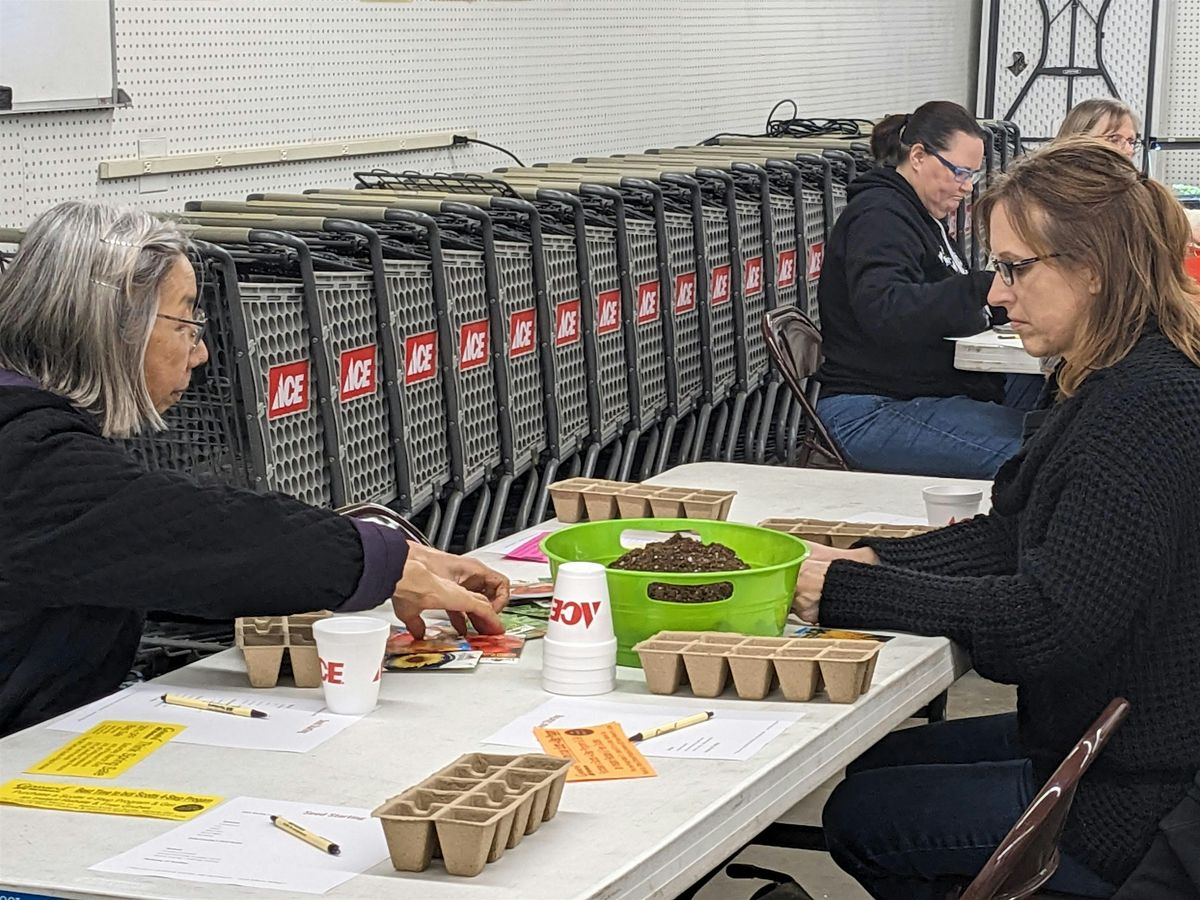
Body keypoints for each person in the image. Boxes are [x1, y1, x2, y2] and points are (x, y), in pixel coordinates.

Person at [793, 139, 1200, 898]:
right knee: (881, 763)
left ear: (1094, 271)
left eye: (1016, 268)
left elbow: (1047, 622)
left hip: (1134, 792)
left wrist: (849, 593)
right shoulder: (1101, 375)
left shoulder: (1147, 405)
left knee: (863, 816)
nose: (999, 293)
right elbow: (1016, 534)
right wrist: (872, 561)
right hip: (1103, 736)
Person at [0, 201, 511, 737]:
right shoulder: (27, 460)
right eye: (184, 323)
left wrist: (401, 557)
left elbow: (144, 556)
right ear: (114, 324)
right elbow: (191, 533)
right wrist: (381, 562)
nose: (199, 354)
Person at [815, 100, 1036, 481]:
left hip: (917, 394)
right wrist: (980, 289)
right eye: (959, 173)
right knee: (1037, 457)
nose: (966, 188)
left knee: (1051, 423)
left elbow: (945, 298)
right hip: (870, 410)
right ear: (918, 156)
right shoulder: (879, 217)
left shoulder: (924, 218)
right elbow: (885, 309)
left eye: (973, 176)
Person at [1056, 96, 1141, 159]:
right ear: (1078, 140)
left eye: (1131, 142)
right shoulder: (1047, 180)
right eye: (1114, 140)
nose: (1129, 150)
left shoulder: (1138, 182)